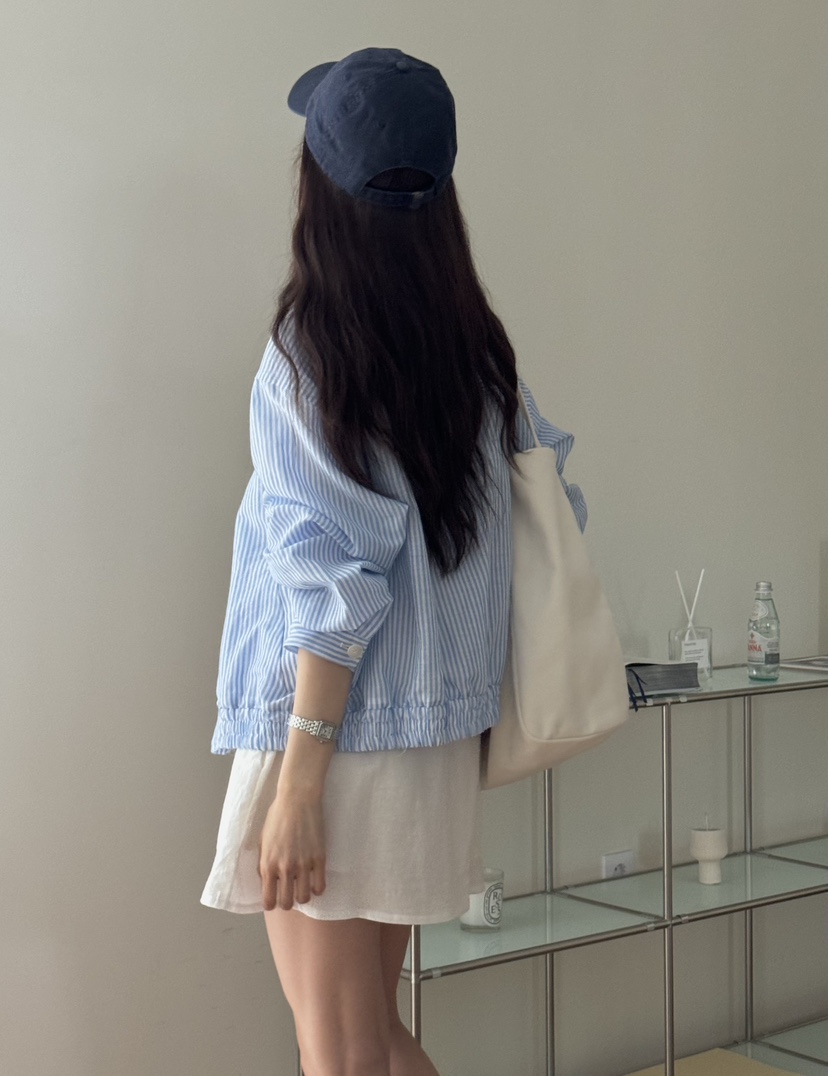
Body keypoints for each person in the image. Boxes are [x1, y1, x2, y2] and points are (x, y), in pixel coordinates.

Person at [200, 46, 586, 1076]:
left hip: (336, 738)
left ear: (320, 188)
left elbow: (334, 583)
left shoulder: (310, 352)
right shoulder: (478, 352)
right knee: (371, 1037)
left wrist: (299, 782)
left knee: (339, 1051)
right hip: (429, 749)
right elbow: (555, 508)